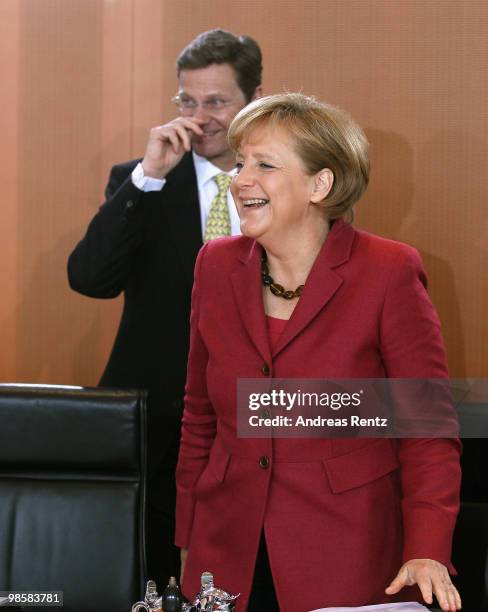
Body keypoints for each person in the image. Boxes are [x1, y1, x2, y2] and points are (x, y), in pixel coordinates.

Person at [175, 93, 462, 611]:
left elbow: (427, 428)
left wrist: (428, 549)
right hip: (225, 551)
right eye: (241, 163)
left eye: (264, 164)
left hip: (344, 552)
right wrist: (187, 538)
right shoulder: (214, 265)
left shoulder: (388, 271)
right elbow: (198, 414)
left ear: (320, 184)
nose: (241, 179)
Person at [67, 29, 263, 585]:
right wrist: (147, 177)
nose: (200, 118)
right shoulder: (143, 181)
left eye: (217, 102)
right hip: (155, 415)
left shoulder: (280, 180)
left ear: (253, 99)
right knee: (149, 572)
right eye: (187, 101)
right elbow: (88, 279)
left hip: (252, 411)